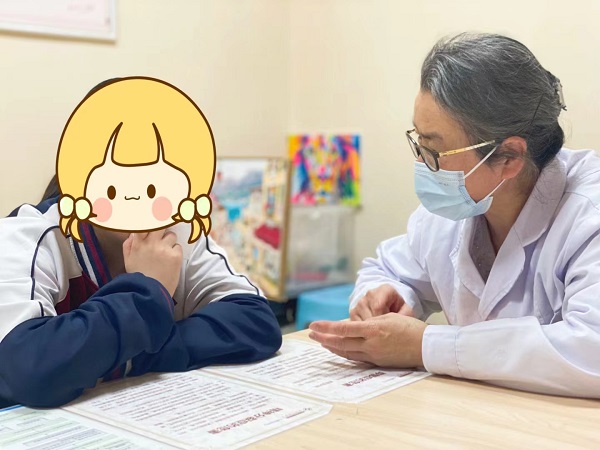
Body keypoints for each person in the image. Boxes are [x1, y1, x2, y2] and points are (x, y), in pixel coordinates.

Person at [309, 32, 600, 398]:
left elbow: (591, 349)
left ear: (509, 157)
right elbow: (388, 268)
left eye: (433, 151)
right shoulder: (458, 205)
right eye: (418, 142)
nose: (422, 164)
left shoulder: (588, 213)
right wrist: (389, 295)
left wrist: (426, 346)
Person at [0, 78, 282, 408]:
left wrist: (131, 357)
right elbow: (27, 370)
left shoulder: (179, 233)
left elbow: (257, 321)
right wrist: (146, 291)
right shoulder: (29, 236)